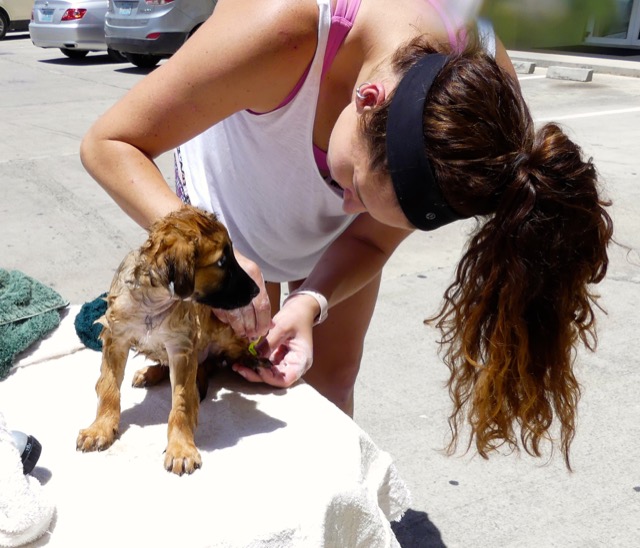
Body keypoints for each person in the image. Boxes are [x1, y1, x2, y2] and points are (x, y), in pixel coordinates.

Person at [80, 0, 613, 468]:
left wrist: (312, 301)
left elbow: (370, 237)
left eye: (372, 205)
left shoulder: (478, 104)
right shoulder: (281, 25)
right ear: (368, 98)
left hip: (351, 160)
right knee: (234, 373)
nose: (343, 208)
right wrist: (201, 247)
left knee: (330, 380)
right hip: (234, 205)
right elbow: (110, 143)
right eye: (354, 184)